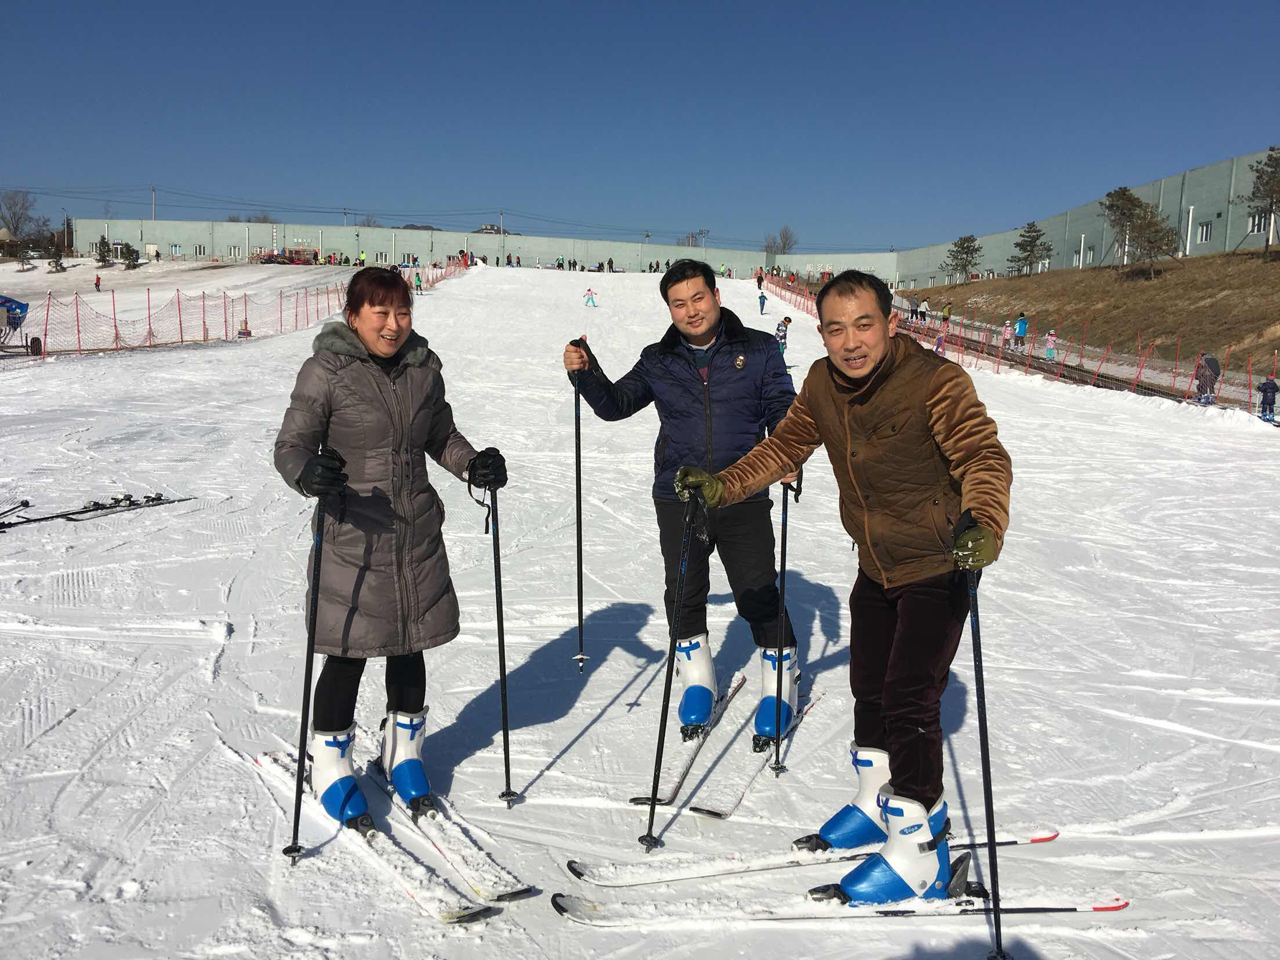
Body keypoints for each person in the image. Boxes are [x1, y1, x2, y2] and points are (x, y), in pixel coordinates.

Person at [674, 269, 1011, 906]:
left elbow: (982, 457)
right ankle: (873, 799)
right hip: (875, 563)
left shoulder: (936, 382)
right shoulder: (823, 385)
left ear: (889, 322)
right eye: (835, 328)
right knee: (868, 687)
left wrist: (985, 521)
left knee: (911, 696)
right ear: (822, 333)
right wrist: (724, 485)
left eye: (863, 325)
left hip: (940, 561)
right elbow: (786, 447)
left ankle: (919, 848)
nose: (851, 342)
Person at [273, 267, 508, 828]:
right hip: (354, 534)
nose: (394, 324)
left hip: (415, 529)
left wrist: (472, 464)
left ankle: (404, 753)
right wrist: (310, 473)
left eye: (403, 311)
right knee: (349, 649)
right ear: (353, 315)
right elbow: (291, 445)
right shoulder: (325, 370)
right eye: (380, 313)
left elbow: (440, 435)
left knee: (410, 644)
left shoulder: (424, 370)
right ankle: (330, 763)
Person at [561, 259, 799, 739]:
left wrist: (786, 453)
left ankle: (779, 684)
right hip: (679, 493)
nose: (691, 310)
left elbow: (782, 407)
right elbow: (615, 405)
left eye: (698, 297)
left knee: (756, 589)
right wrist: (587, 374)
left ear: (716, 295)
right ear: (669, 308)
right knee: (683, 589)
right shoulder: (658, 359)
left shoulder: (759, 349)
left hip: (742, 488)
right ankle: (697, 680)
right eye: (679, 303)